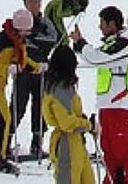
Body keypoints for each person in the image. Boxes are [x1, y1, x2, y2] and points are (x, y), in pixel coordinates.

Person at [70, 6, 128, 184]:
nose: (100, 27)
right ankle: (113, 180)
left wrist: (81, 43)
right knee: (109, 149)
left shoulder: (124, 44)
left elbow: (98, 57)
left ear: (112, 24)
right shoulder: (113, 42)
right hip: (108, 104)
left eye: (102, 23)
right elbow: (93, 58)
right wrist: (79, 44)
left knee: (124, 149)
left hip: (119, 104)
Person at [0, 10, 37, 171]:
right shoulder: (3, 40)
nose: (27, 34)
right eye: (25, 30)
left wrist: (37, 67)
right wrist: (7, 69)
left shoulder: (16, 39)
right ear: (18, 28)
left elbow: (22, 61)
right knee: (3, 119)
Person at [40, 45, 96, 184]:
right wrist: (88, 125)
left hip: (77, 142)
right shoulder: (59, 90)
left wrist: (84, 121)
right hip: (67, 144)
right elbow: (67, 123)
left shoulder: (64, 86)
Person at [14, 0, 59, 160]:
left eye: (37, 3)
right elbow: (16, 41)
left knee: (40, 107)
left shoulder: (45, 22)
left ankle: (37, 142)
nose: (35, 6)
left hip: (41, 70)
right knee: (18, 105)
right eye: (31, 3)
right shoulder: (20, 21)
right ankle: (7, 138)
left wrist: (33, 38)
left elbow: (51, 41)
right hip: (23, 70)